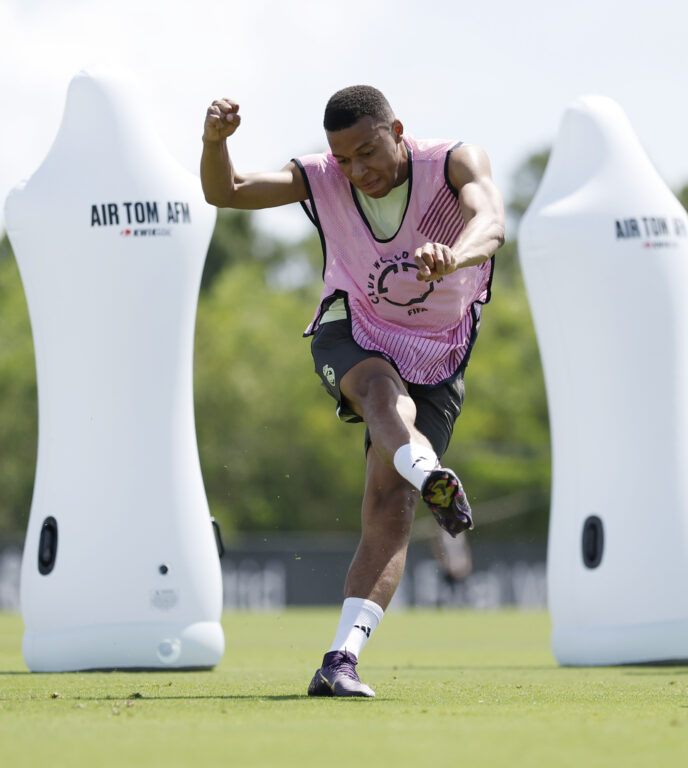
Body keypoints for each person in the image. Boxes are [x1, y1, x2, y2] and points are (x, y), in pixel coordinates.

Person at [200, 86, 505, 696]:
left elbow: (491, 221)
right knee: (380, 393)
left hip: (440, 349)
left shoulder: (452, 162)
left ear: (396, 129)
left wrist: (454, 257)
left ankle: (340, 660)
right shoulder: (321, 177)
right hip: (355, 326)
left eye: (368, 153)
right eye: (344, 160)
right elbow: (224, 192)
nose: (358, 172)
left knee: (389, 511)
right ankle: (427, 470)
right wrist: (214, 143)